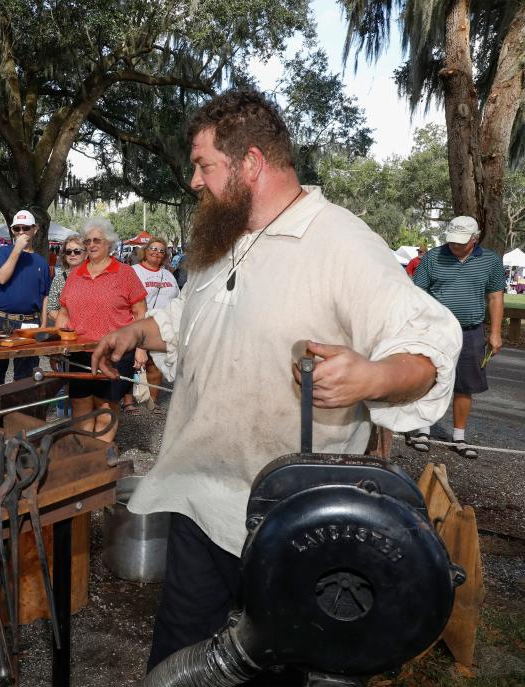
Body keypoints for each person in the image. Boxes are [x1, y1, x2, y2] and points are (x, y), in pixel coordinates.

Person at [90, 89, 462, 675]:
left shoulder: (342, 242)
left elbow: (428, 342)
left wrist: (372, 375)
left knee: (274, 667)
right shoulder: (224, 239)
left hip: (289, 525)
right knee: (179, 662)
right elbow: (194, 317)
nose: (194, 181)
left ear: (251, 163)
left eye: (204, 165)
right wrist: (138, 331)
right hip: (196, 495)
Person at [409, 216, 505, 458]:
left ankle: (459, 437)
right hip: (435, 330)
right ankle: (423, 430)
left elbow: (495, 297)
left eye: (461, 242)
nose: (454, 246)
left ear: (475, 239)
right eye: (451, 241)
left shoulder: (490, 261)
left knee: (465, 385)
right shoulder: (433, 257)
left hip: (471, 332)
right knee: (428, 378)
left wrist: (495, 332)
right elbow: (416, 292)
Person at [56, 218, 147, 441]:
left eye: (97, 240)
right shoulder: (76, 274)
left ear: (109, 243)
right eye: (87, 241)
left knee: (106, 407)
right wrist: (57, 344)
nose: (91, 245)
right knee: (80, 406)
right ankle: (86, 457)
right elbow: (64, 313)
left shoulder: (125, 273)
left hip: (115, 353)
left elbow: (141, 312)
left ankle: (100, 458)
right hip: (80, 352)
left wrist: (141, 348)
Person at [0, 210, 52, 389]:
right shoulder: (3, 252)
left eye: (25, 228)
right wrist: (17, 249)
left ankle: (19, 413)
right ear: (12, 231)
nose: (21, 232)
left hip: (29, 322)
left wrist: (43, 324)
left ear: (35, 230)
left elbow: (45, 296)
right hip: (1, 320)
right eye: (17, 228)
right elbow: (1, 278)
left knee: (25, 374)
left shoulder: (41, 261)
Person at [120, 235, 180, 417]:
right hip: (136, 323)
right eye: (153, 248)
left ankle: (152, 402)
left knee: (156, 364)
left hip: (161, 326)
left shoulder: (169, 275)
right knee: (131, 363)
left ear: (166, 255)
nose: (157, 252)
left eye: (161, 250)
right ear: (145, 251)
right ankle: (128, 402)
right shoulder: (133, 271)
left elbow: (176, 299)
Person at [46, 234, 85, 323]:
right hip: (66, 331)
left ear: (86, 254)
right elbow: (51, 309)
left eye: (77, 251)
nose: (72, 254)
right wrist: (69, 325)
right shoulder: (59, 279)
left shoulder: (95, 277)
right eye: (68, 251)